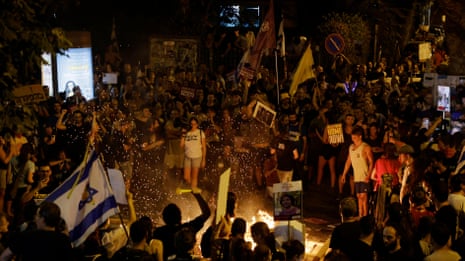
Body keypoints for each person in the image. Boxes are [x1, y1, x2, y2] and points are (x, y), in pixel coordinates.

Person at [0, 201, 73, 261]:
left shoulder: (26, 236)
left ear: (43, 219)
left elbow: (4, 257)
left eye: (37, 215)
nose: (35, 218)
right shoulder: (64, 240)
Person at [152, 191, 211, 260]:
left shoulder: (158, 232)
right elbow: (206, 213)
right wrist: (197, 194)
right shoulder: (187, 230)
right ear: (180, 216)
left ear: (164, 218)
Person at [340, 126, 374, 217]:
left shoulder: (366, 147)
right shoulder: (351, 147)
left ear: (360, 136)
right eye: (352, 137)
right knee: (359, 197)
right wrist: (344, 174)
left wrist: (369, 175)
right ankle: (360, 215)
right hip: (356, 176)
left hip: (364, 176)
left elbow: (371, 162)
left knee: (364, 198)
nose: (353, 139)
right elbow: (348, 162)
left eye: (355, 137)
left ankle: (365, 217)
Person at [180, 117, 207, 192]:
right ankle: (191, 187)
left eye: (194, 124)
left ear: (197, 124)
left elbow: (204, 147)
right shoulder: (187, 133)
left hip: (197, 156)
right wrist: (183, 135)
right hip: (188, 156)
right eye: (191, 124)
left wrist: (203, 160)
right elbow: (181, 145)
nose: (193, 125)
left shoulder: (200, 132)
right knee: (186, 177)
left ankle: (193, 188)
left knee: (194, 175)